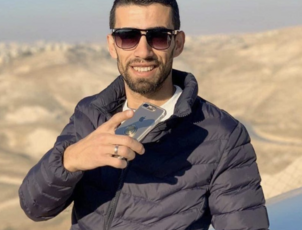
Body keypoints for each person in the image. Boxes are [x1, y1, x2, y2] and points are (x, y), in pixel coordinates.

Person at [18, 0, 270, 229]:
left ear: (178, 43)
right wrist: (69, 160)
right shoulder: (91, 114)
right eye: (127, 37)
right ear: (112, 45)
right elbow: (35, 207)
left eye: (158, 36)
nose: (142, 51)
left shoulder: (222, 135)